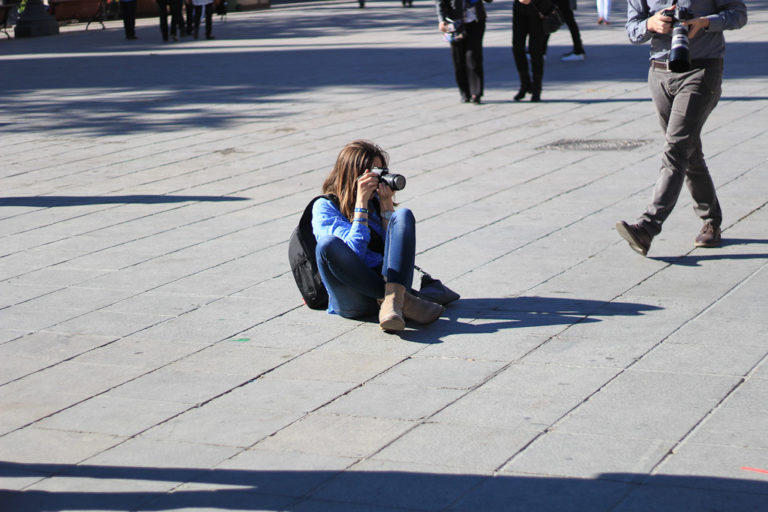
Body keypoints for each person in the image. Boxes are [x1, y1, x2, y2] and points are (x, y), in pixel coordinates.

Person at [616, 0, 747, 256]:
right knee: (688, 151)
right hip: (660, 74)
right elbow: (632, 29)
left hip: (701, 70)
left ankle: (647, 227)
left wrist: (705, 22)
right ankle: (711, 220)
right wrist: (651, 24)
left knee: (675, 149)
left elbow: (738, 14)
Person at [311, 140, 444, 332]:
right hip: (353, 298)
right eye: (374, 172)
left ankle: (393, 300)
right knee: (327, 244)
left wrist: (386, 207)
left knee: (403, 216)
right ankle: (402, 301)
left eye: (382, 171)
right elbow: (354, 254)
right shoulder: (325, 206)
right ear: (355, 174)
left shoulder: (377, 200)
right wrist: (361, 205)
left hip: (386, 281)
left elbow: (391, 253)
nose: (379, 178)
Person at [436, 0, 493, 104]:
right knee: (458, 58)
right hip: (453, 22)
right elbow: (440, 2)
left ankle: (476, 92)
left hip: (476, 21)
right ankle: (464, 93)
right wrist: (441, 20)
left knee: (473, 56)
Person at [512, 0, 553, 102]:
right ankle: (525, 83)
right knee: (517, 47)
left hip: (538, 9)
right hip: (520, 8)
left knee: (535, 49)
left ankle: (537, 87)